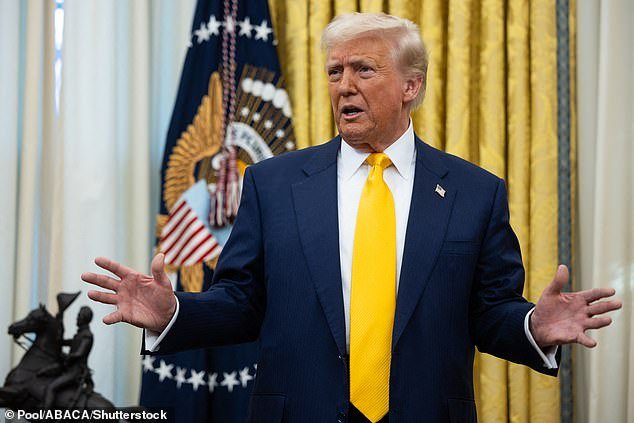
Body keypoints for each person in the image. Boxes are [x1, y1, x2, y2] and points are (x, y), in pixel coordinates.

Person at [82, 13, 621, 423]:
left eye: (364, 69)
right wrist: (175, 312)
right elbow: (241, 304)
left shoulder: (475, 192)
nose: (344, 85)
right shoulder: (273, 184)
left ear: (411, 87)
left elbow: (490, 311)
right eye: (335, 72)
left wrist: (533, 327)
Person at [43, 306, 94, 409]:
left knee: (51, 388)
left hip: (75, 371)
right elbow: (62, 342)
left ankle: (45, 415)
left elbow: (79, 353)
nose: (77, 318)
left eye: (79, 316)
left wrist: (66, 357)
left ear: (84, 318)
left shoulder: (87, 335)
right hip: (69, 369)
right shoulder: (79, 334)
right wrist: (60, 320)